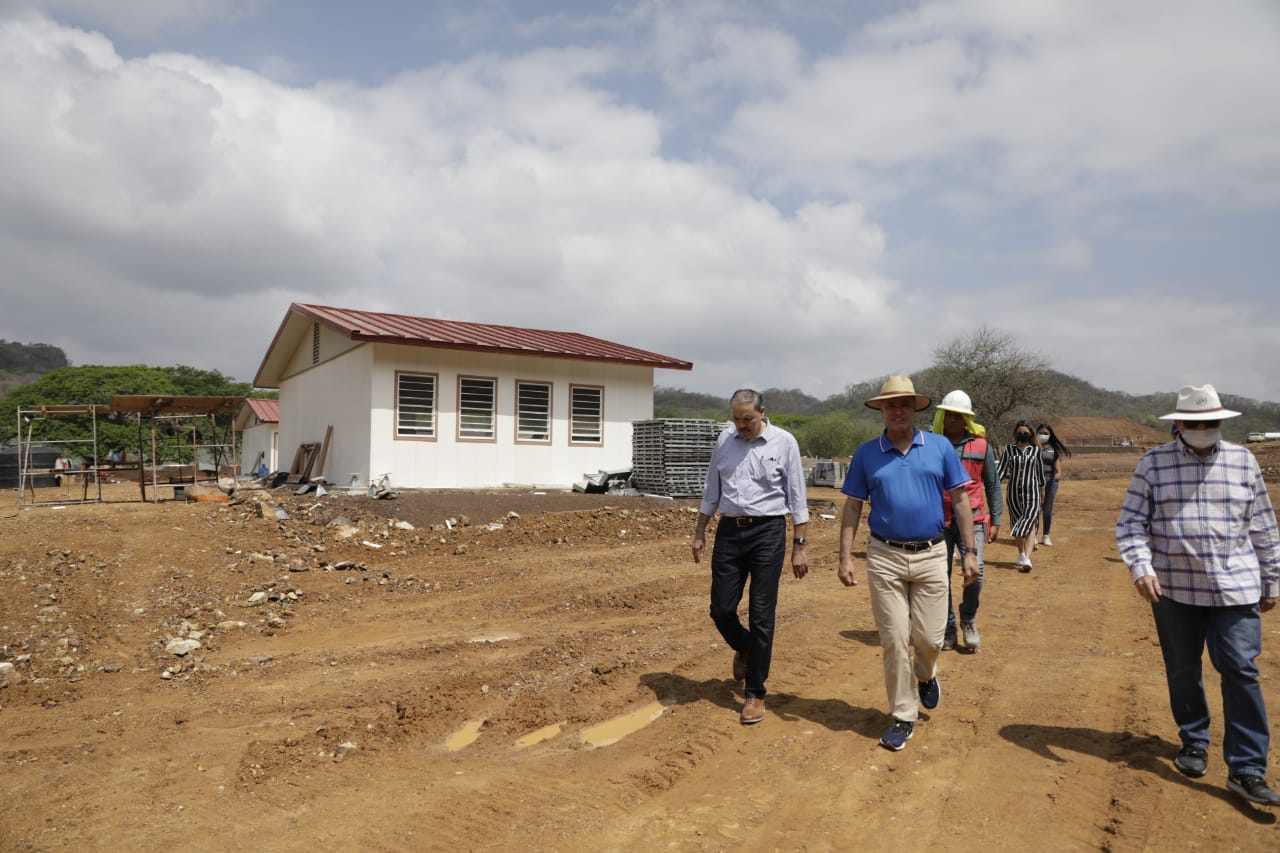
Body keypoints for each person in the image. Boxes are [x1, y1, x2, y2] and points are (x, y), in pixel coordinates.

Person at [1116, 384, 1280, 807]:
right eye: (1195, 423)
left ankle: (1246, 768)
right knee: (1183, 669)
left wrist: (1271, 579)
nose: (1204, 429)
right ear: (1180, 424)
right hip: (1174, 589)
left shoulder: (1244, 462)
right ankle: (1193, 740)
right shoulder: (1153, 464)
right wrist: (1141, 567)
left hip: (1235, 588)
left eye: (1211, 423)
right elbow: (1131, 523)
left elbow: (1262, 525)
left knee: (1241, 670)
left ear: (1221, 423)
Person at [838, 376, 977, 751]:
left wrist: (969, 552)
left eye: (904, 404)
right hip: (884, 557)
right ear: (881, 410)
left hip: (932, 555)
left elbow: (961, 501)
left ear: (915, 409)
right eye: (890, 405)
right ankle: (902, 714)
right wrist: (845, 557)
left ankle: (926, 674)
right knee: (895, 639)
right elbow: (853, 506)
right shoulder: (867, 453)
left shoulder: (940, 447)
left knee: (930, 640)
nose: (897, 411)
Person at [692, 389, 810, 725]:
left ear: (762, 413)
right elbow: (711, 490)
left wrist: (799, 546)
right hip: (729, 532)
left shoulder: (784, 442)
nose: (742, 426)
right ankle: (745, 647)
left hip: (768, 533)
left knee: (762, 614)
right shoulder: (724, 440)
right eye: (736, 420)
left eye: (748, 420)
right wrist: (700, 531)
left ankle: (755, 692)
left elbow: (797, 497)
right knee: (721, 609)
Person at [932, 390, 1002, 652]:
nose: (953, 420)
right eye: (949, 414)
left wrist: (996, 519)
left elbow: (993, 486)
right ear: (943, 415)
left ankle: (968, 619)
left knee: (977, 572)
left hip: (973, 520)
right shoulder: (933, 445)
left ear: (966, 419)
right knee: (941, 577)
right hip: (939, 521)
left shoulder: (982, 446)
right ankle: (948, 628)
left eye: (959, 416)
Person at [997, 420, 1044, 571]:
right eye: (1020, 432)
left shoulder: (1036, 451)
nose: (1023, 435)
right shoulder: (1009, 450)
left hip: (1033, 493)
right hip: (1013, 494)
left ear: (1030, 434)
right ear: (1015, 434)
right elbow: (1001, 471)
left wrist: (1043, 493)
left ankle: (1028, 559)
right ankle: (1021, 553)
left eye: (1025, 432)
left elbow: (1040, 475)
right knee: (1016, 522)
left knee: (1030, 522)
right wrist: (991, 482)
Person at [1034, 423, 1070, 547]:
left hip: (1050, 483)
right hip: (1034, 483)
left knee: (1047, 510)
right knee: (1035, 510)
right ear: (1036, 433)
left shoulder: (1054, 450)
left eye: (1046, 433)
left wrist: (1054, 478)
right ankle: (1033, 536)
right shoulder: (1032, 447)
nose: (1043, 435)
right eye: (1041, 433)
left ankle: (1045, 535)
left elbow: (1058, 471)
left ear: (1050, 435)